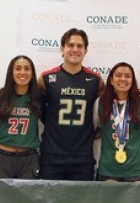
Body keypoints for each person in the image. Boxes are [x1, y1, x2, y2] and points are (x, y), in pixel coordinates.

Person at [37, 27, 104, 181]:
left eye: (79, 46)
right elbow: (31, 103)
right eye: (70, 45)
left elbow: (109, 108)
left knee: (82, 197)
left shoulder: (96, 80)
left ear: (86, 50)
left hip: (82, 157)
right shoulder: (46, 79)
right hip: (52, 155)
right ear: (62, 48)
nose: (75, 49)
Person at [93, 61, 140, 182]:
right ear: (111, 80)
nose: (123, 79)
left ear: (132, 81)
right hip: (108, 168)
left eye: (127, 76)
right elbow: (92, 129)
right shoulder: (100, 103)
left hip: (135, 168)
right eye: (118, 75)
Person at [0, 55, 41, 179]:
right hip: (3, 156)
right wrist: (6, 132)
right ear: (11, 73)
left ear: (32, 74)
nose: (22, 72)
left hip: (29, 158)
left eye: (27, 68)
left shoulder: (39, 98)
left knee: (29, 192)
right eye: (18, 68)